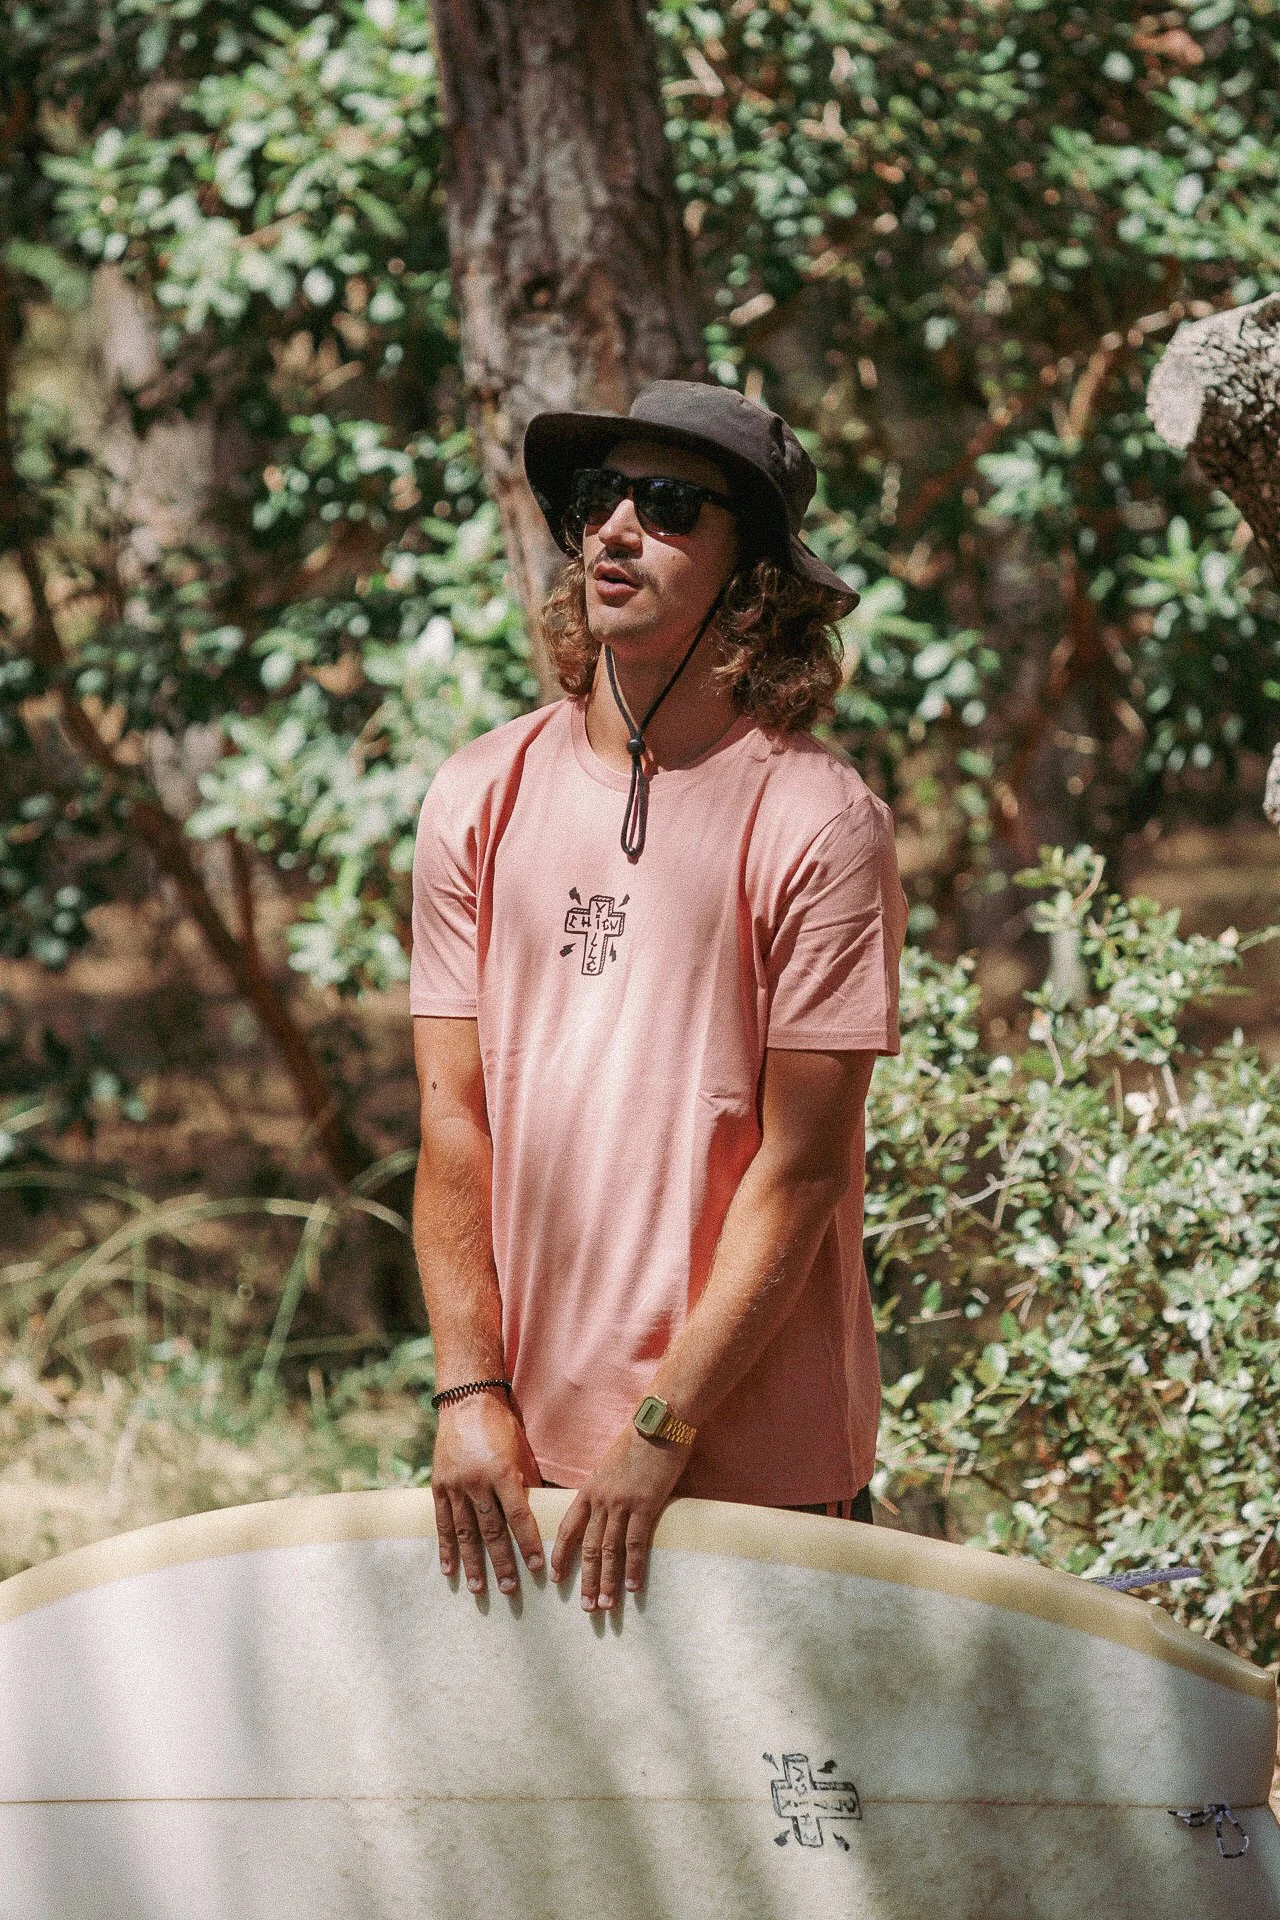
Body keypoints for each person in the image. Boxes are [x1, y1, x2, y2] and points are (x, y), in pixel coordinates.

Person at [410, 380, 907, 1616]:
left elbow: (801, 1171)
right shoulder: (478, 794)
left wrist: (660, 1427)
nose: (614, 531)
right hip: (522, 1465)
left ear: (752, 582)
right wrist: (470, 1397)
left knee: (765, 1813)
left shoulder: (818, 820)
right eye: (598, 500)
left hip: (757, 1470)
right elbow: (451, 1122)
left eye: (670, 504)